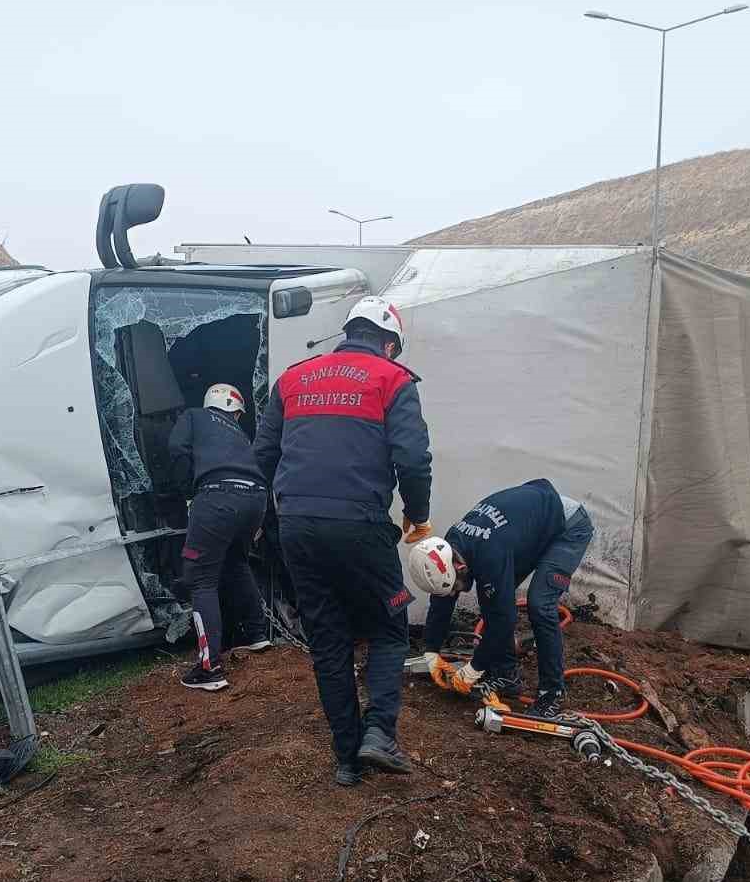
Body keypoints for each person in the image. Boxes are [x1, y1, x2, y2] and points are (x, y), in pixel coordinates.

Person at [254, 296, 434, 787]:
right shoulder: (392, 380)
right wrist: (417, 516)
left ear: (348, 331)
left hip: (298, 528)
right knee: (389, 626)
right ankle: (379, 733)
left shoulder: (291, 379)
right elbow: (413, 460)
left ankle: (347, 760)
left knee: (328, 640)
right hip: (360, 527)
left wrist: (271, 522)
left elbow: (263, 456)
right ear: (390, 343)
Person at [408, 480, 596, 718]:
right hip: (528, 526)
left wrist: (474, 668)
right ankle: (507, 674)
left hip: (567, 526)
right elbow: (443, 598)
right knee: (493, 601)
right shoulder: (448, 545)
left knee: (540, 604)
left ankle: (552, 693)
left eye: (456, 585)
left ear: (461, 566)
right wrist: (431, 650)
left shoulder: (489, 556)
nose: (457, 591)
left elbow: (503, 619)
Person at [167, 383, 271, 692]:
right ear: (235, 411)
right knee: (237, 563)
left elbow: (176, 448)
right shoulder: (239, 434)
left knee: (201, 579)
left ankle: (208, 669)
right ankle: (257, 635)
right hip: (256, 498)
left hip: (217, 496)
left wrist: (187, 491)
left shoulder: (194, 416)